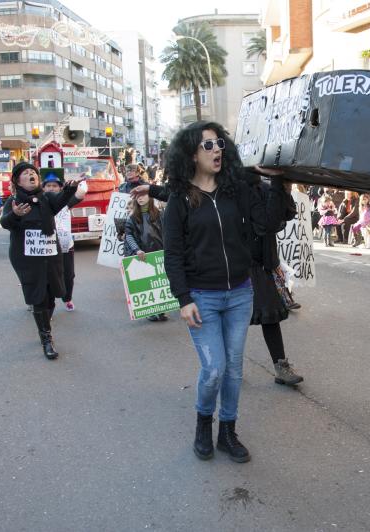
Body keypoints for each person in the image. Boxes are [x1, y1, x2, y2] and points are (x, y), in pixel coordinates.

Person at [133, 121, 291, 463]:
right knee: (214, 369)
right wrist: (183, 299)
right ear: (191, 153)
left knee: (233, 369)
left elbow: (267, 223)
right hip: (202, 297)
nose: (217, 149)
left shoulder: (237, 190)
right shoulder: (180, 198)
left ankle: (228, 433)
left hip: (240, 294)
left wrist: (277, 182)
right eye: (208, 145)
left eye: (219, 143)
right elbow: (173, 254)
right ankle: (204, 422)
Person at [0, 162, 83, 360]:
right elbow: (5, 222)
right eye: (26, 173)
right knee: (38, 297)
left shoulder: (46, 198)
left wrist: (71, 187)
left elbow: (62, 200)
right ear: (17, 180)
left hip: (50, 255)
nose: (31, 175)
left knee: (51, 295)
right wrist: (16, 215)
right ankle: (46, 338)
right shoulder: (13, 201)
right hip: (27, 258)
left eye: (33, 172)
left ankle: (45, 323)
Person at [243, 172, 304, 386]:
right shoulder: (237, 187)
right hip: (239, 265)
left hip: (264, 263)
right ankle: (230, 366)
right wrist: (278, 183)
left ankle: (281, 367)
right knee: (234, 319)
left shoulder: (265, 186)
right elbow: (265, 223)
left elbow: (288, 213)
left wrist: (285, 188)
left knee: (270, 316)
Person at [42, 171, 86, 312]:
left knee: (68, 275)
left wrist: (79, 184)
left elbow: (80, 194)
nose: (51, 188)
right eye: (48, 185)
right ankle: (40, 301)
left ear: (60, 188)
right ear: (43, 188)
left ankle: (67, 298)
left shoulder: (65, 202)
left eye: (55, 186)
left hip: (66, 246)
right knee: (44, 277)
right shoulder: (38, 203)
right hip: (45, 247)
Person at [124, 184, 168, 322]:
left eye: (143, 195)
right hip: (142, 254)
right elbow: (129, 235)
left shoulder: (159, 214)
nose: (140, 198)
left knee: (159, 282)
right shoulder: (132, 218)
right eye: (137, 196)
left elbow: (167, 232)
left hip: (159, 252)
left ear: (150, 196)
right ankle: (150, 311)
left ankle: (161, 310)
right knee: (147, 283)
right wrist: (136, 249)